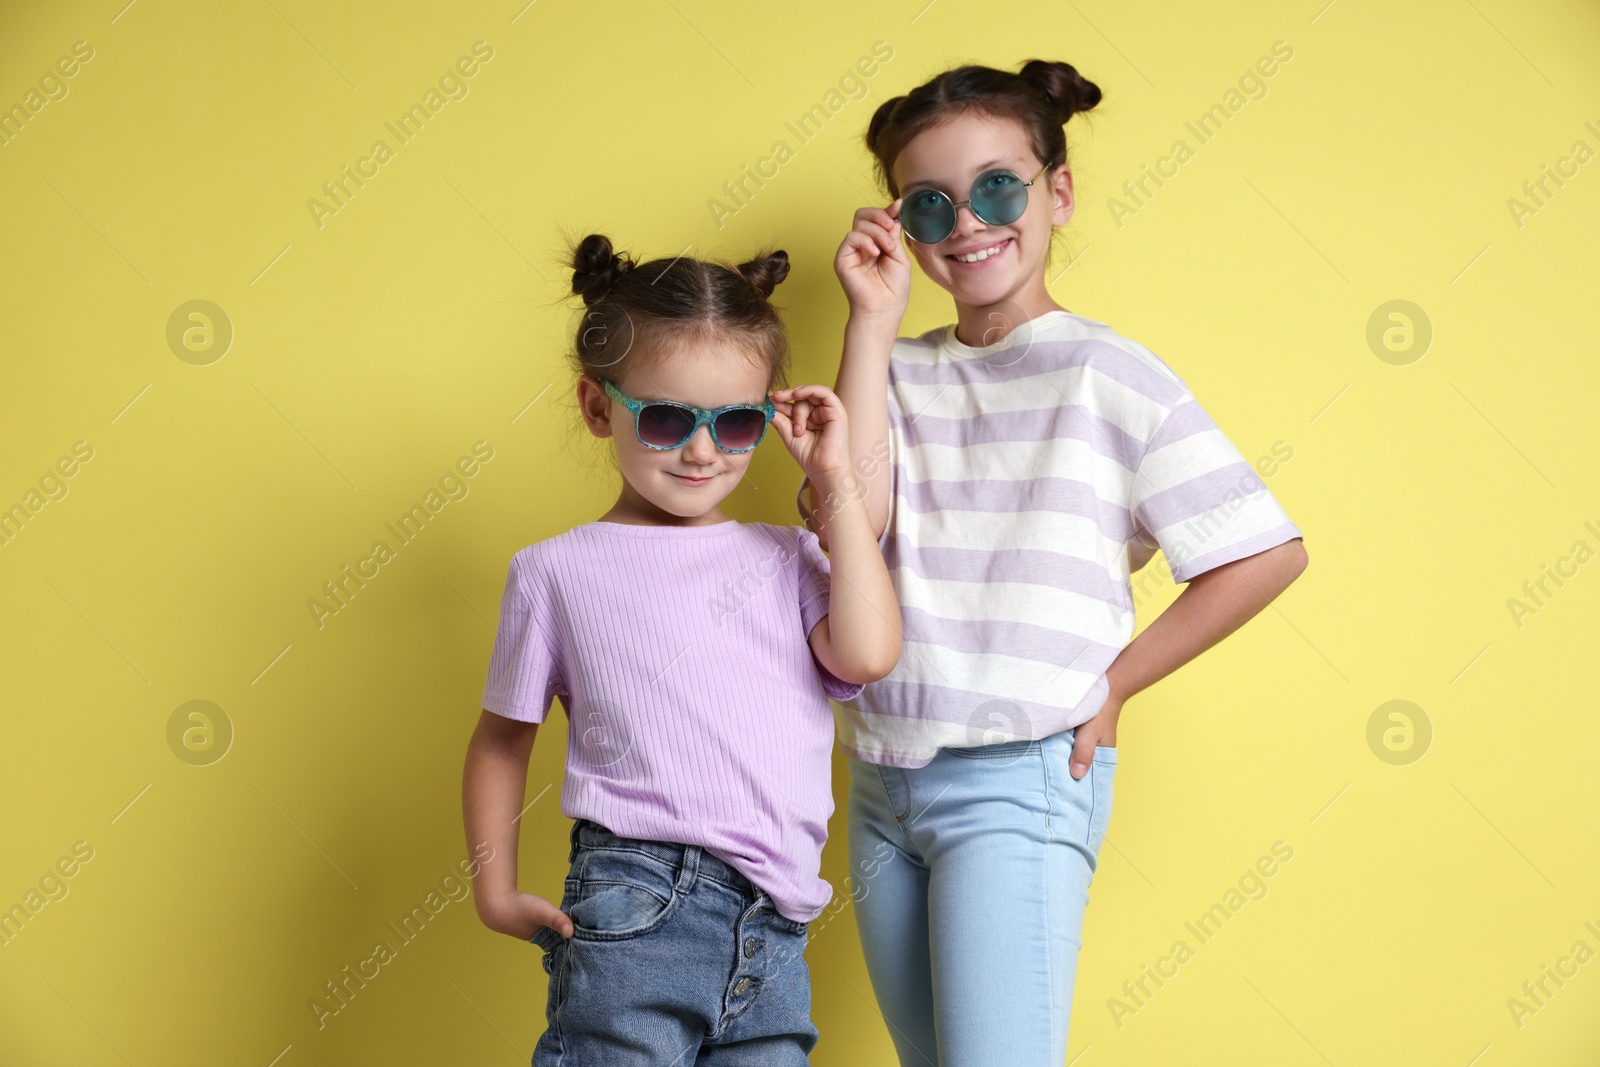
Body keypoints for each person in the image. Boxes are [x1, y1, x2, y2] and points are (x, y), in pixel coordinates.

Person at [798, 60, 1309, 1065]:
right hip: (879, 774)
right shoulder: (892, 369)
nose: (970, 223)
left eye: (997, 186)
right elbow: (854, 518)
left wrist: (1116, 682)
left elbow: (1264, 550)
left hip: (1018, 773)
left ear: (1057, 191)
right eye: (930, 203)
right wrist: (868, 318)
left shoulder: (1105, 371)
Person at [463, 233, 902, 1065]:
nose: (703, 451)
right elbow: (499, 738)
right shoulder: (555, 572)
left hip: (776, 921)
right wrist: (493, 886)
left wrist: (835, 481)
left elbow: (870, 652)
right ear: (600, 408)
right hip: (637, 901)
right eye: (666, 419)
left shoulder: (790, 557)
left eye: (735, 422)